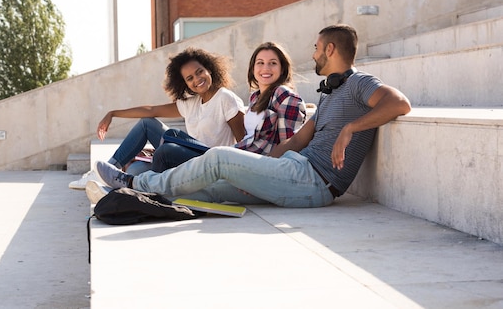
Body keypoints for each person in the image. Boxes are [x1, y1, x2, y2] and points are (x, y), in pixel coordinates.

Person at [90, 24, 412, 207]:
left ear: (330, 50)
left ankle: (133, 179)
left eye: (316, 47)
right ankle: (130, 195)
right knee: (209, 191)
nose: (312, 53)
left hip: (315, 181)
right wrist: (257, 173)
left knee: (219, 159)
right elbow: (299, 138)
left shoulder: (359, 83)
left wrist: (350, 129)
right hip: (291, 169)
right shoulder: (330, 92)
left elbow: (399, 104)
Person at [69, 47, 246, 189]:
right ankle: (105, 171)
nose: (197, 79)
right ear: (184, 83)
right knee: (139, 158)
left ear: (210, 69)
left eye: (200, 72)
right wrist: (113, 113)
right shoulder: (192, 103)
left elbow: (243, 142)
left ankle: (139, 188)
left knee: (164, 151)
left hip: (211, 163)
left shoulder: (225, 98)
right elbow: (151, 110)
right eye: (190, 78)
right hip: (190, 157)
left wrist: (242, 180)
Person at [149, 41, 306, 172]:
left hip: (251, 165)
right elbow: (248, 139)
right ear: (253, 68)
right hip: (236, 155)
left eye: (272, 63)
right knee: (172, 134)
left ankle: (151, 196)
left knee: (165, 152)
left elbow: (289, 146)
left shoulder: (284, 95)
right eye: (260, 63)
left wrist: (259, 172)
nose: (265, 68)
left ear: (282, 68)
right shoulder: (256, 97)